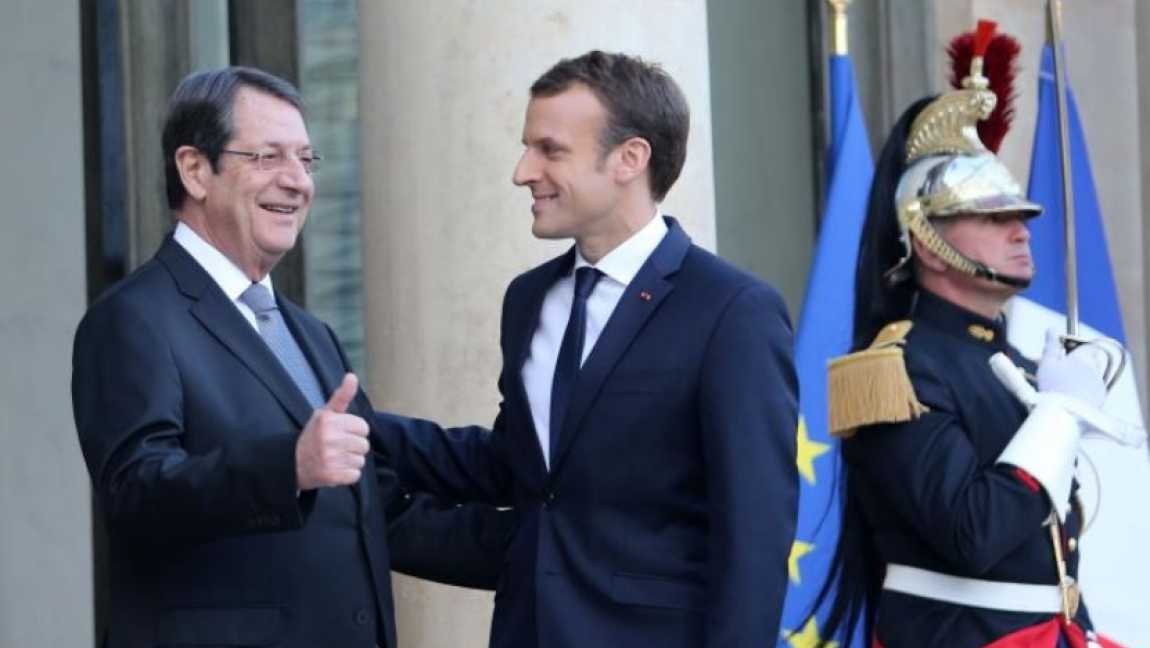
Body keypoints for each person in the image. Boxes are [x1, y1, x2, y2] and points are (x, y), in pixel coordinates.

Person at [71, 66, 508, 648]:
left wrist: (558, 554)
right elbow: (136, 494)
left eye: (306, 159)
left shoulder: (309, 333)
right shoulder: (133, 318)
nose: (297, 181)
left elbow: (375, 512)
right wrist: (288, 467)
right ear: (195, 170)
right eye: (267, 157)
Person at [374, 50, 799, 648]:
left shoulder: (732, 310)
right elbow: (517, 466)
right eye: (527, 148)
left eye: (550, 150)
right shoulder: (528, 300)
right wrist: (361, 429)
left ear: (630, 158)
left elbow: (755, 532)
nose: (523, 172)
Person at [809, 31, 1128, 648]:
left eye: (1021, 216)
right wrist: (1057, 418)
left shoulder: (1014, 365)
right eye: (993, 217)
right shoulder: (897, 370)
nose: (1021, 231)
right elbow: (971, 531)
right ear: (928, 243)